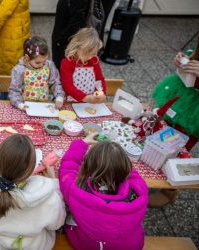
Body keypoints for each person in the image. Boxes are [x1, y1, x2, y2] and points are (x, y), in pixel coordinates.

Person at [0, 134, 66, 250]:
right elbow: (57, 224)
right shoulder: (48, 196)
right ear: (32, 169)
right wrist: (54, 183)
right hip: (35, 246)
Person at [59, 132, 149, 250]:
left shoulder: (77, 190)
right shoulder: (140, 190)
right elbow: (130, 172)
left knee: (69, 214)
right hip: (131, 246)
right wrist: (114, 158)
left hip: (89, 246)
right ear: (125, 169)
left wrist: (82, 143)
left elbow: (68, 169)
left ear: (87, 168)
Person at [150, 37, 199, 208]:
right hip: (182, 96)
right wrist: (183, 59)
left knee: (181, 146)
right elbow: (191, 57)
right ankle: (157, 173)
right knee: (163, 132)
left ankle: (169, 191)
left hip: (195, 109)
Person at [8, 36, 65, 110]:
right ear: (27, 58)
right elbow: (14, 91)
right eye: (38, 63)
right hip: (25, 106)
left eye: (44, 61)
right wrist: (20, 104)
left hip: (44, 106)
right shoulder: (20, 70)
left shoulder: (49, 65)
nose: (42, 65)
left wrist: (59, 97)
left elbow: (56, 83)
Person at [60, 27, 107, 103]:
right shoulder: (67, 63)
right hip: (71, 101)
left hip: (90, 101)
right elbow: (67, 86)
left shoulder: (94, 61)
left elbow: (99, 79)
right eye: (86, 53)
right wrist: (85, 98)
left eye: (93, 54)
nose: (90, 57)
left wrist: (102, 93)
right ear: (77, 47)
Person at [0, 0, 30, 75]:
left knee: (9, 65)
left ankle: (8, 84)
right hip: (19, 29)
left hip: (12, 34)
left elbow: (1, 14)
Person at [51, 0, 90, 69]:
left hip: (66, 42)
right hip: (63, 38)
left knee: (62, 68)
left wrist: (61, 40)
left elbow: (75, 23)